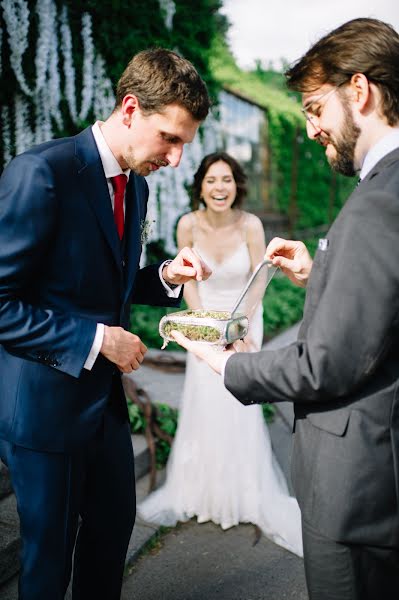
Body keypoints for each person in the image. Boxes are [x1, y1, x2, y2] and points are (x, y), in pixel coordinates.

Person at [172, 18, 399, 600]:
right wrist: (320, 271)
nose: (310, 128)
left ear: (360, 91)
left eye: (315, 108)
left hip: (354, 493)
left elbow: (324, 365)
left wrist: (227, 364)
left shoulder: (376, 202)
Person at [0, 48, 211, 600]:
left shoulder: (134, 185)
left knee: (110, 540)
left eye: (185, 143)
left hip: (104, 410)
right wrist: (99, 339)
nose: (176, 158)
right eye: (170, 137)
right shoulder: (40, 174)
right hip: (43, 412)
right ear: (130, 108)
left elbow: (99, 284)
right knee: (47, 565)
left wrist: (164, 274)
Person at [137, 151, 303, 556]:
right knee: (206, 407)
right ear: (200, 186)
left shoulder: (251, 225)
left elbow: (260, 281)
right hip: (204, 326)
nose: (220, 188)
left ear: (237, 184)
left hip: (244, 320)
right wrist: (202, 329)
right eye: (212, 180)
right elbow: (188, 283)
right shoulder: (187, 225)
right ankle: (202, 491)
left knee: (238, 407)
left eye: (227, 179)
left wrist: (238, 328)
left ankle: (242, 492)